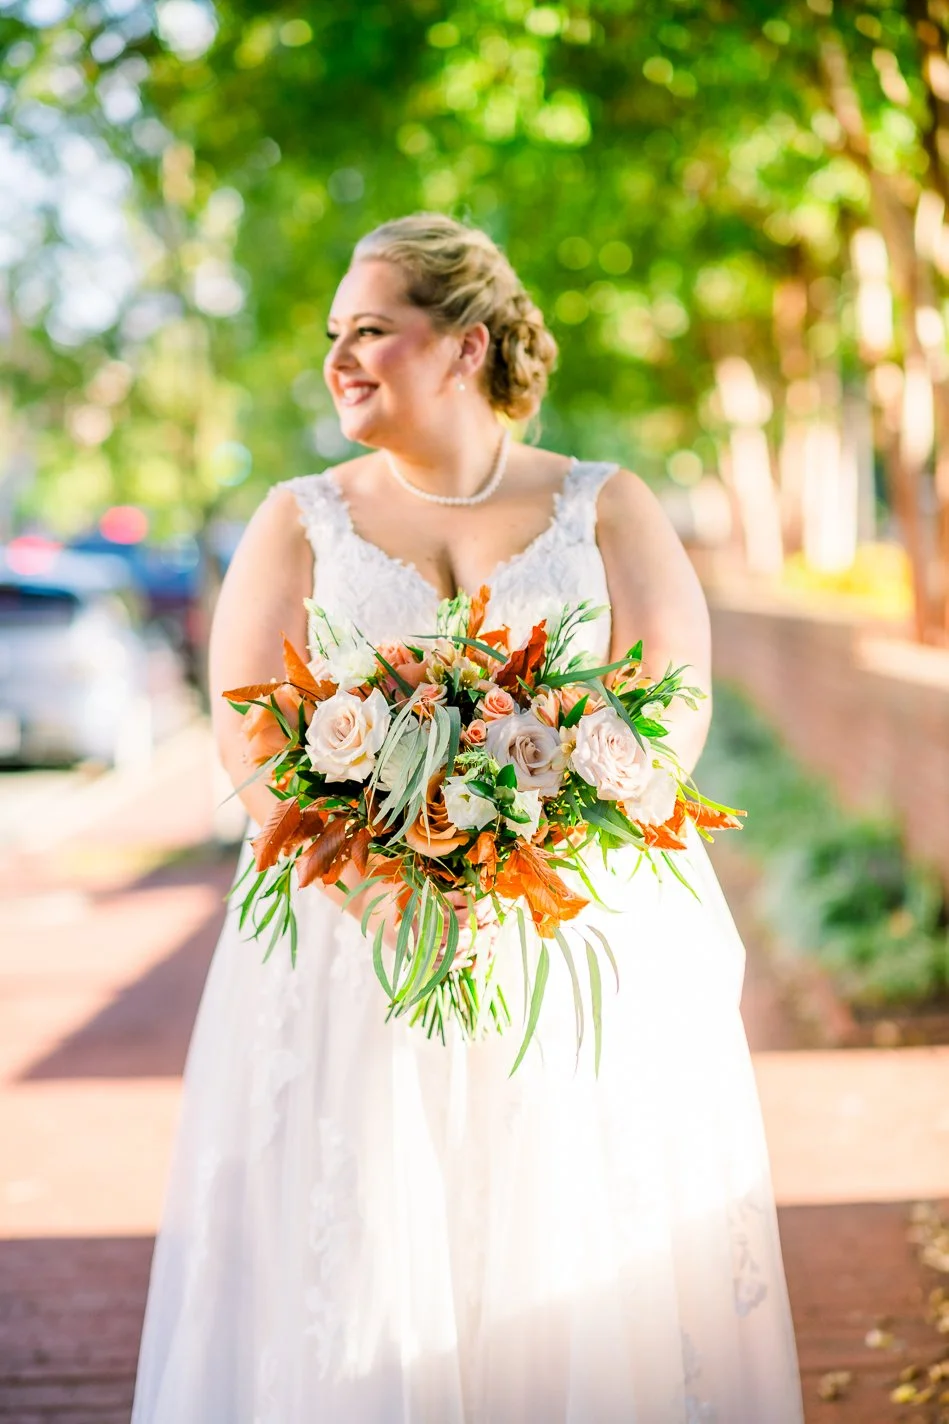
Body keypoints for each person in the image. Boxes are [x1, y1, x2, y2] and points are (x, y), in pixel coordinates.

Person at [131, 213, 804, 1422]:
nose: (339, 357)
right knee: (374, 1238)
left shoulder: (604, 505)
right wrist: (374, 880)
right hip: (356, 945)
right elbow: (248, 737)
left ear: (463, 347)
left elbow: (675, 701)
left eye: (372, 330)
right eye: (336, 333)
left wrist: (559, 827)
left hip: (571, 929)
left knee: (566, 1226)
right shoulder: (299, 519)